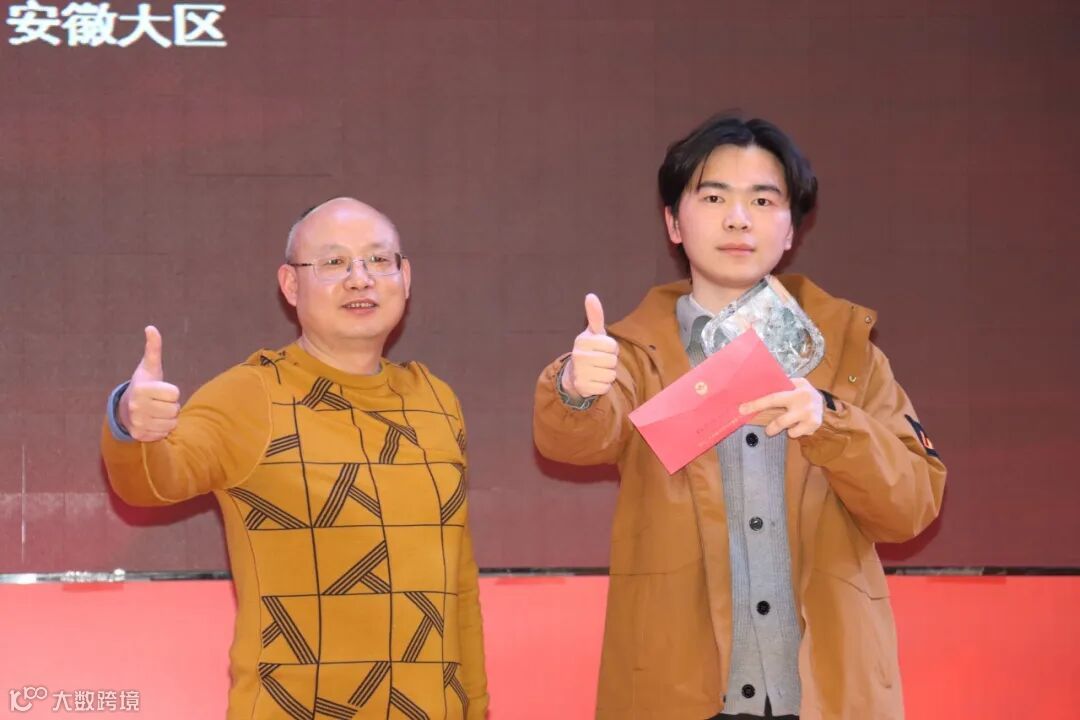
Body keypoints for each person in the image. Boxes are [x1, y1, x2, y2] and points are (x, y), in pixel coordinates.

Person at [532, 115, 946, 720]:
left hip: (829, 692)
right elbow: (572, 441)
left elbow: (912, 506)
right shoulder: (634, 355)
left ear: (791, 228)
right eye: (713, 197)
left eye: (762, 200)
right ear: (674, 223)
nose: (737, 218)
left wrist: (831, 422)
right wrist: (575, 387)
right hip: (680, 692)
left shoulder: (849, 354)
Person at [101, 197, 489, 720]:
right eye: (333, 262)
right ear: (290, 285)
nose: (360, 279)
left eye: (378, 260)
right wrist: (132, 424)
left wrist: (476, 707)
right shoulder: (252, 394)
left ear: (405, 276)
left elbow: (457, 585)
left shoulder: (436, 401)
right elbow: (153, 482)